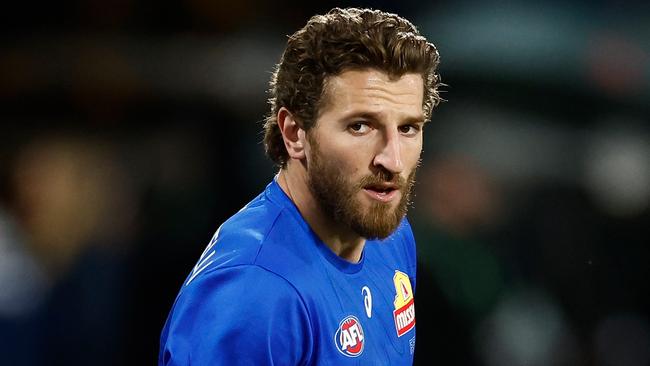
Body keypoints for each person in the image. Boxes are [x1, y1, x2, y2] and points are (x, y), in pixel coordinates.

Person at [159, 7, 441, 365]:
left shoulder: (390, 235)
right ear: (294, 134)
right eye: (360, 126)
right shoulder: (256, 295)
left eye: (408, 128)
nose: (393, 160)